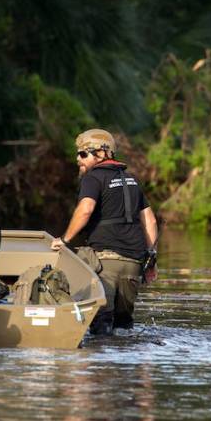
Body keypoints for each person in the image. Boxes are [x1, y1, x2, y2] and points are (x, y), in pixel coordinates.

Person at [51, 129, 158, 335]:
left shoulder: (93, 178)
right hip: (134, 265)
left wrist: (64, 240)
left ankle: (103, 366)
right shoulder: (132, 180)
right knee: (123, 326)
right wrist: (151, 259)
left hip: (105, 263)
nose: (78, 159)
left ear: (101, 153)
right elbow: (150, 221)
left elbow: (85, 210)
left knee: (100, 327)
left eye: (83, 154)